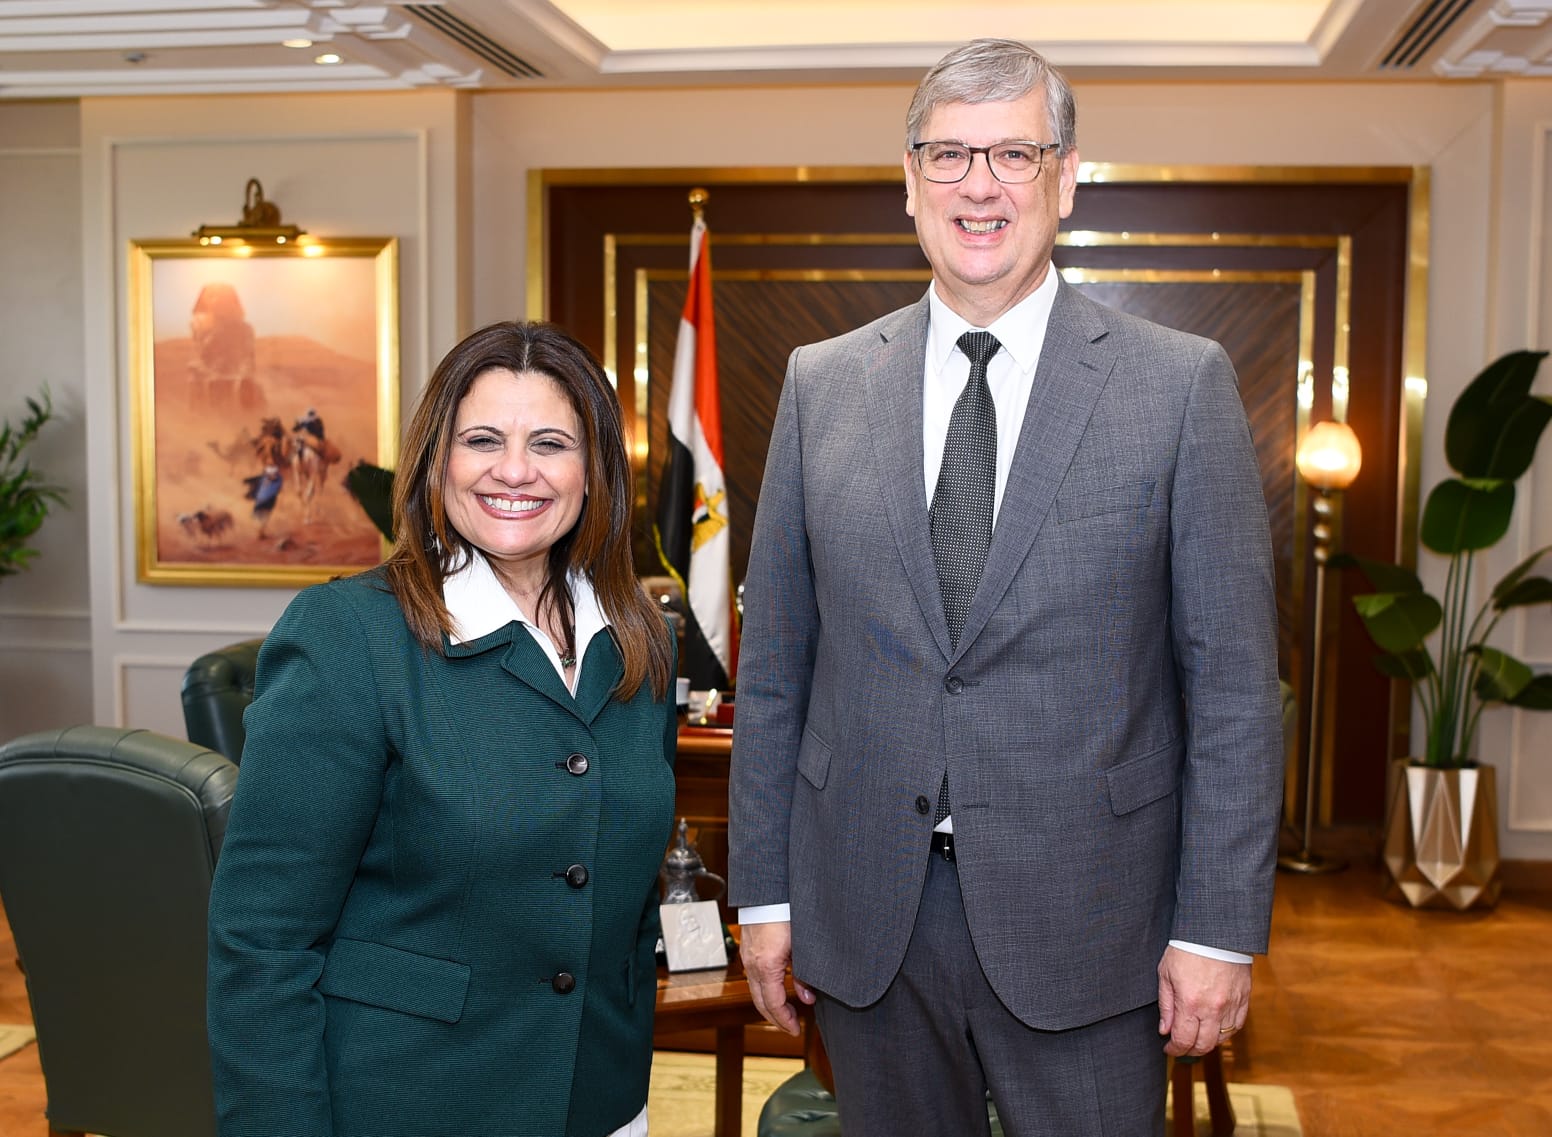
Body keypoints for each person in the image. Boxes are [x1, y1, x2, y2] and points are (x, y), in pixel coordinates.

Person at [729, 37, 1285, 1136]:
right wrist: (766, 894)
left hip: (1094, 919)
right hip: (869, 919)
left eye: (1013, 155)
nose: (977, 186)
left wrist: (1217, 929)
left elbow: (1231, 686)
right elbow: (778, 669)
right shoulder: (820, 384)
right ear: (909, 181)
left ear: (1065, 178)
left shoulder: (1179, 386)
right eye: (948, 155)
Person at [208, 320, 678, 1137]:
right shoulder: (348, 635)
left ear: (595, 469)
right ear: (438, 460)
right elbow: (261, 940)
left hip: (603, 1102)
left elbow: (629, 905)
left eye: (551, 443)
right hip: (408, 1100)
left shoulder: (642, 638)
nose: (515, 470)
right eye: (483, 439)